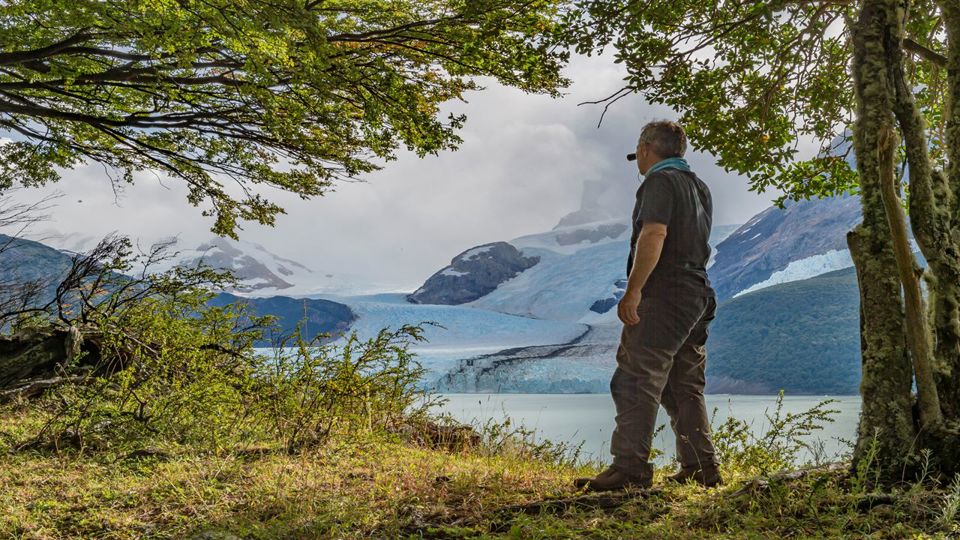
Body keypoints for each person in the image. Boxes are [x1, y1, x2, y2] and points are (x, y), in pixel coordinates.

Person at [574, 120, 721, 491]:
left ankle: (630, 470)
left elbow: (655, 233)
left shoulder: (659, 181)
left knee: (635, 377)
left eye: (637, 154)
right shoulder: (699, 187)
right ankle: (701, 468)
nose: (638, 161)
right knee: (682, 384)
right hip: (698, 293)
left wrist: (634, 290)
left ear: (644, 149)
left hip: (666, 294)